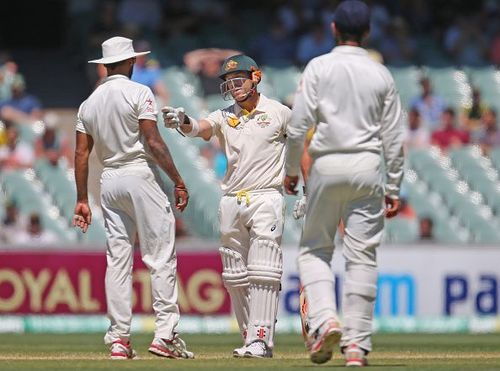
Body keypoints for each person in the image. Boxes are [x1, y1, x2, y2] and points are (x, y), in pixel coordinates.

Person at [284, 1, 404, 366]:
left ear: (334, 28)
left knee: (314, 250)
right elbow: (394, 138)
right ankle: (356, 347)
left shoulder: (318, 66)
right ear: (367, 32)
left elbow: (297, 126)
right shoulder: (380, 73)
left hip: (326, 163)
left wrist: (290, 170)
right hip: (368, 167)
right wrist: (394, 186)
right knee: (362, 256)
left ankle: (324, 321)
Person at [162, 54, 290, 358]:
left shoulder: (279, 113)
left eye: (238, 80)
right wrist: (182, 121)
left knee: (264, 269)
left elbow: (301, 148)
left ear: (256, 77)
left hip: (265, 196)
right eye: (228, 83)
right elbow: (200, 128)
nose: (233, 87)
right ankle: (249, 338)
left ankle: (262, 337)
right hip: (231, 199)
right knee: (234, 275)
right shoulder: (224, 115)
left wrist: (307, 189)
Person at [73, 36, 193, 360]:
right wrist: (178, 180)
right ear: (130, 63)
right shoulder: (139, 92)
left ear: (104, 66)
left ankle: (119, 339)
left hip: (108, 181)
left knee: (118, 261)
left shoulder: (89, 103)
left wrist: (82, 198)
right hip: (139, 173)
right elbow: (153, 142)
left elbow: (82, 154)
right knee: (160, 255)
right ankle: (165, 334)